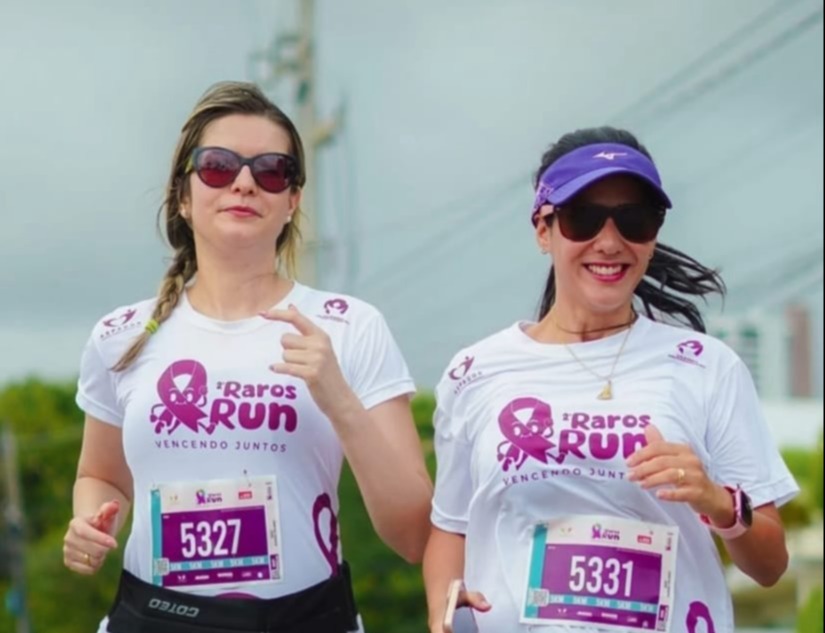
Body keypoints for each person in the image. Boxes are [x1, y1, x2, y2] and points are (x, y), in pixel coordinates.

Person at [63, 81, 433, 633]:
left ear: (293, 201)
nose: (243, 183)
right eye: (217, 166)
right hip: (155, 616)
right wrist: (90, 522)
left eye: (271, 170)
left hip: (307, 617)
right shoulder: (122, 335)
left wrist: (339, 400)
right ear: (183, 195)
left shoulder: (348, 326)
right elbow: (101, 476)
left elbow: (415, 535)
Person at [423, 126, 798, 633]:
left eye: (634, 220)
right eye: (582, 218)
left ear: (653, 235)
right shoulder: (476, 371)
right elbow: (450, 528)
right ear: (543, 229)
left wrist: (716, 500)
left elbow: (770, 565)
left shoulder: (706, 366)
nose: (609, 242)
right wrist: (443, 608)